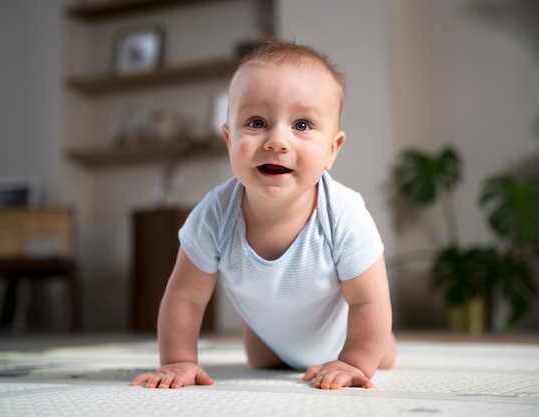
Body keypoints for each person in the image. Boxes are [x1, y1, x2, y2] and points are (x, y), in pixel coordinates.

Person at [130, 40, 395, 390]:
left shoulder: (343, 215)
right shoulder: (213, 216)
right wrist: (179, 361)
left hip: (340, 335)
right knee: (261, 361)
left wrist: (353, 361)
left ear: (332, 150)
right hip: (267, 339)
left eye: (301, 126)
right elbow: (184, 297)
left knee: (382, 353)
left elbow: (369, 300)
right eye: (256, 122)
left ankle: (376, 347)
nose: (276, 141)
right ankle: (265, 323)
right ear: (229, 140)